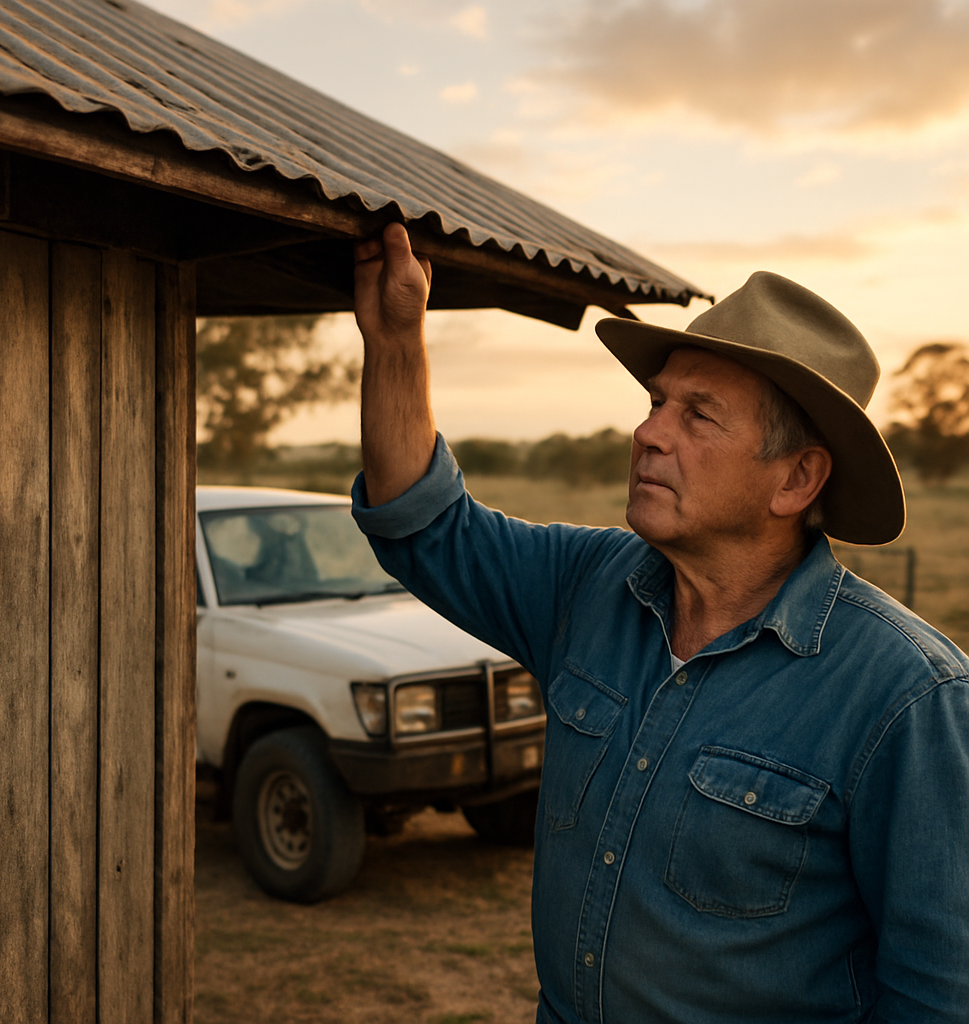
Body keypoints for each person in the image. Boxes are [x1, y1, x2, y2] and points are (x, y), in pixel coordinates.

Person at [350, 222, 969, 1023]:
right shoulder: (588, 585)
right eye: (655, 403)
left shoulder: (908, 698)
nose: (649, 432)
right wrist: (396, 339)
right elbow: (423, 527)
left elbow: (937, 993)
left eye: (699, 415)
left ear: (796, 479)